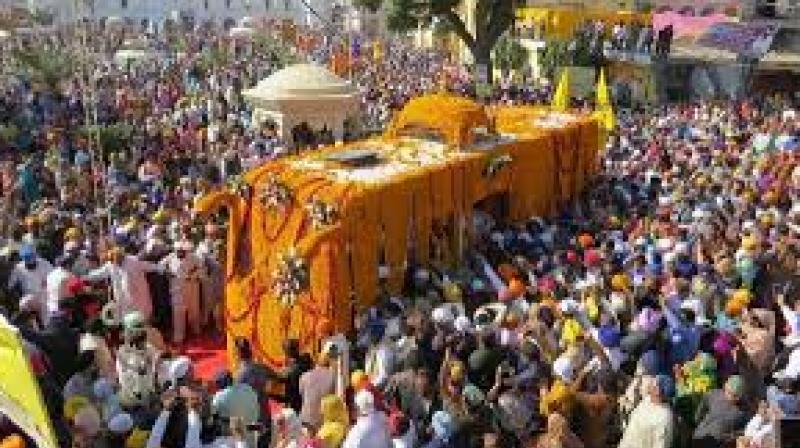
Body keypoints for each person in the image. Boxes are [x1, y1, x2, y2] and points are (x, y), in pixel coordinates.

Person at [85, 246, 161, 323]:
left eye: (116, 259)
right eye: (112, 261)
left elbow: (149, 266)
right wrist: (85, 277)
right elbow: (99, 273)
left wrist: (161, 268)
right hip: (122, 298)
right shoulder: (111, 265)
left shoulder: (134, 261)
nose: (114, 262)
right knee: (127, 318)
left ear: (121, 256)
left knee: (143, 315)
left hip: (138, 296)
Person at [160, 240, 203, 345]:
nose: (180, 252)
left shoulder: (194, 258)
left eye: (182, 251)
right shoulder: (170, 257)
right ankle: (179, 337)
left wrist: (193, 275)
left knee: (194, 311)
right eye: (178, 251)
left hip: (191, 288)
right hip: (176, 290)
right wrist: (166, 272)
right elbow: (160, 265)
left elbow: (202, 270)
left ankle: (196, 330)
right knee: (178, 314)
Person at [692, 375, 750, 448]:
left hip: (720, 443)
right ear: (725, 387)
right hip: (701, 436)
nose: (731, 397)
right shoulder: (713, 394)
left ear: (741, 395)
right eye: (729, 392)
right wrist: (698, 422)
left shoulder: (744, 409)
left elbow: (746, 429)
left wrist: (731, 435)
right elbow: (700, 411)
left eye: (735, 396)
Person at [618, 375, 675, 448]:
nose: (650, 383)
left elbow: (661, 445)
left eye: (653, 382)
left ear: (657, 391)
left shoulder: (663, 418)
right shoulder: (647, 400)